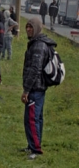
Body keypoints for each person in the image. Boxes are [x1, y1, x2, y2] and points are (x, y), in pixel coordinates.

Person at [21, 17, 56, 160]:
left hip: (35, 88)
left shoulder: (38, 46)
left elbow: (35, 69)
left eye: (31, 27)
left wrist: (26, 90)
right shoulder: (37, 43)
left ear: (37, 28)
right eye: (27, 27)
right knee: (36, 118)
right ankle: (32, 145)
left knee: (32, 119)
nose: (28, 29)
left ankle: (36, 149)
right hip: (38, 88)